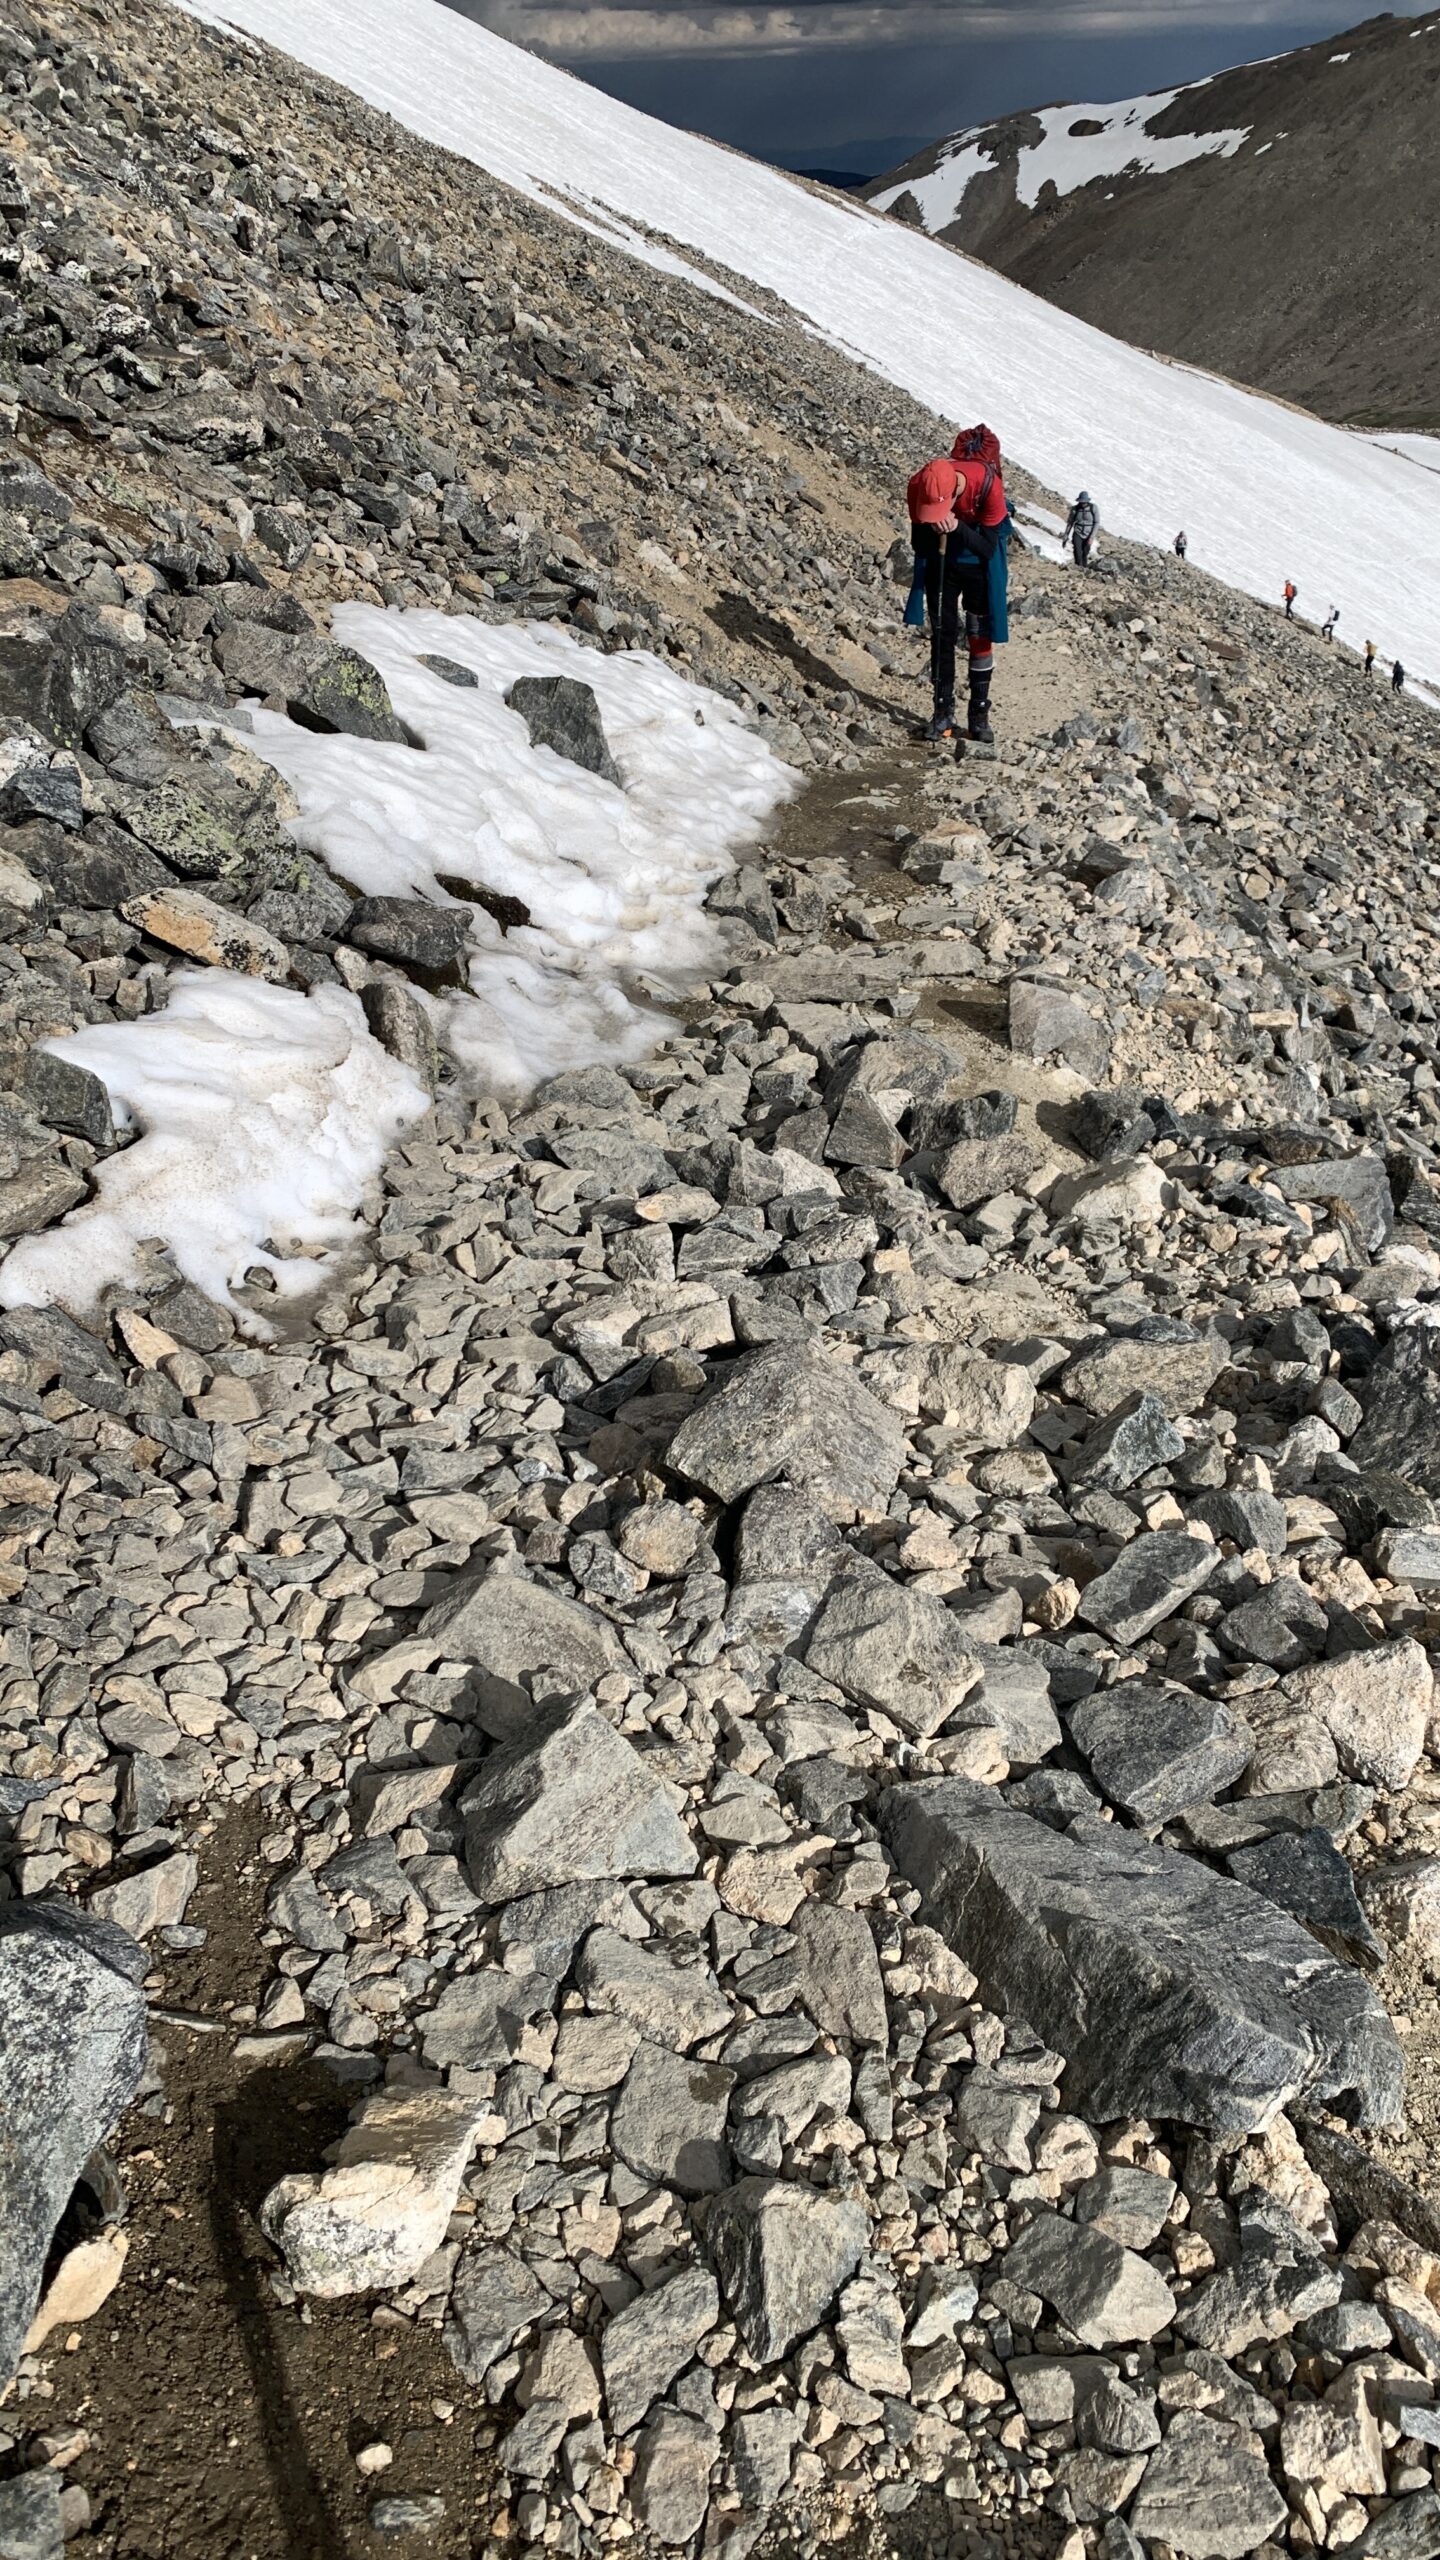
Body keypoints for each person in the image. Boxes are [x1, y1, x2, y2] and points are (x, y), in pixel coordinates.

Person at [907, 423, 1011, 745]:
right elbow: (918, 543)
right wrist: (935, 530)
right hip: (943, 562)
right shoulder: (919, 485)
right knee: (943, 634)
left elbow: (987, 547)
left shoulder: (989, 485)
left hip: (978, 565)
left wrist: (956, 528)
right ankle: (942, 712)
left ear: (954, 491)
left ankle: (979, 714)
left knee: (979, 633)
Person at [1064, 490, 1098, 567]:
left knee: (1085, 552)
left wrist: (1091, 537)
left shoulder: (1093, 508)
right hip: (1078, 532)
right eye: (1081, 502)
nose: (1082, 504)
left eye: (1084, 502)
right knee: (1077, 550)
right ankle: (1078, 567)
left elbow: (1096, 522)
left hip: (1089, 533)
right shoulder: (1074, 509)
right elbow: (1070, 523)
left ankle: (1084, 567)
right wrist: (1066, 535)